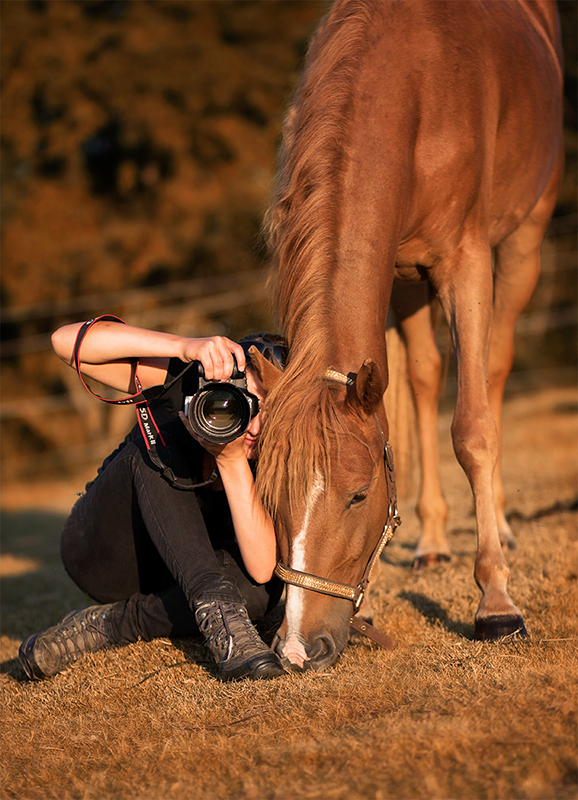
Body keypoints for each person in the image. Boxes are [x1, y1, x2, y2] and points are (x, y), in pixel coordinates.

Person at [18, 318, 287, 682]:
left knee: (261, 591)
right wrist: (184, 347)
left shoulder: (274, 456)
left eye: (272, 415)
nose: (253, 425)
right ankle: (219, 613)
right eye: (245, 403)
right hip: (107, 553)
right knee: (153, 450)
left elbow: (259, 569)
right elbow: (64, 341)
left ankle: (112, 624)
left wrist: (232, 459)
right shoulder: (184, 381)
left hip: (176, 581)